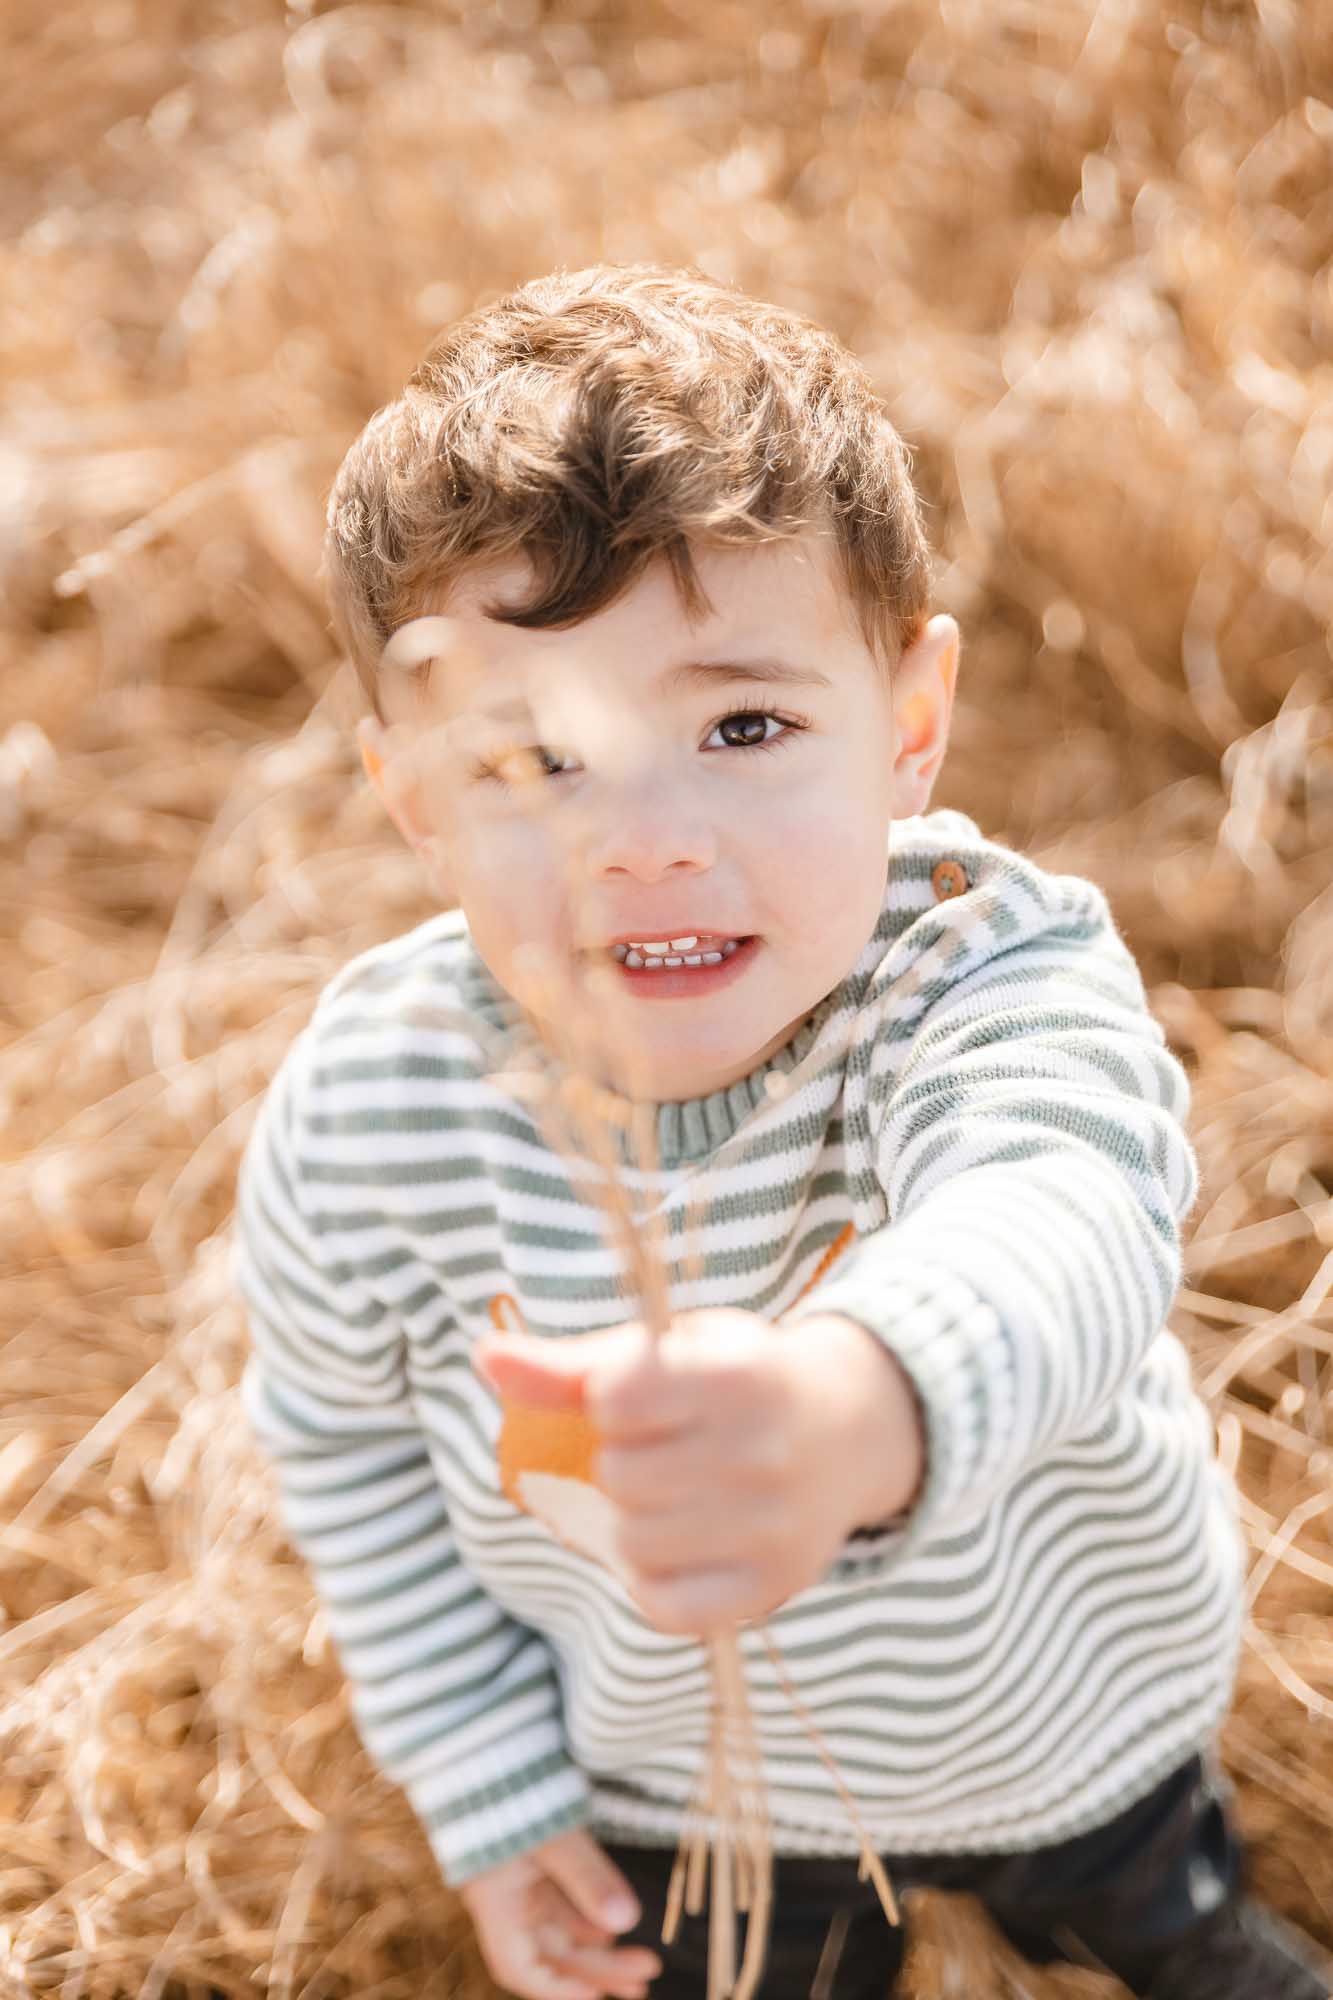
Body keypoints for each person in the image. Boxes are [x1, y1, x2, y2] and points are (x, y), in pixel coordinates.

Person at [231, 262, 1330, 2000]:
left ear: (905, 726)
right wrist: (492, 1796)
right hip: (686, 1799)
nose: (646, 839)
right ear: (412, 796)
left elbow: (1063, 1205)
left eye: (743, 725)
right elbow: (348, 1458)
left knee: (1170, 1937)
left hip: (1078, 1714)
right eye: (530, 763)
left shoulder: (979, 965)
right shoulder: (376, 1111)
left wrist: (863, 1392)